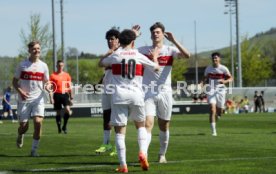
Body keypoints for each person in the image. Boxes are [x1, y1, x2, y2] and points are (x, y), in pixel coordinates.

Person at [99, 29, 159, 172]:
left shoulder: (115, 55)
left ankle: (123, 165)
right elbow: (156, 68)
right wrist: (155, 57)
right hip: (137, 95)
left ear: (119, 41)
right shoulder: (138, 55)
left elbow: (100, 63)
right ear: (133, 42)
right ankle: (143, 153)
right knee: (141, 126)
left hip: (119, 96)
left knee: (120, 132)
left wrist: (111, 51)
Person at [138, 22, 190, 163]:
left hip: (165, 92)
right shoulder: (143, 50)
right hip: (148, 92)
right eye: (153, 32)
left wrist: (174, 40)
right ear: (151, 35)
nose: (155, 34)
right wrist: (133, 37)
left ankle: (162, 154)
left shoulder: (170, 50)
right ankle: (144, 154)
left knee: (164, 125)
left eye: (158, 32)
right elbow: (128, 52)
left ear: (163, 34)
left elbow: (187, 55)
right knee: (148, 124)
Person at [13, 40, 52, 157]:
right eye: (34, 48)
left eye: (38, 48)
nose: (37, 50)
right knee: (24, 127)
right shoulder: (22, 65)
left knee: (38, 122)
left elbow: (47, 81)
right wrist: (20, 91)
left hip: (38, 99)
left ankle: (34, 151)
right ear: (29, 50)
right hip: (24, 100)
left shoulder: (44, 66)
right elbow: (14, 82)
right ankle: (20, 135)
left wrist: (49, 89)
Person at [95, 28, 120, 156]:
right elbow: (106, 70)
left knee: (117, 118)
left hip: (117, 90)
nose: (110, 41)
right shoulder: (109, 54)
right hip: (107, 88)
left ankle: (118, 146)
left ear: (118, 40)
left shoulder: (121, 53)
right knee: (106, 116)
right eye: (108, 39)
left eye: (112, 39)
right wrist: (101, 81)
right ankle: (106, 144)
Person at [201, 52, 232, 136]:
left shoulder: (224, 69)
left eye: (216, 58)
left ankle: (218, 114)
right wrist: (202, 84)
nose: (215, 59)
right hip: (211, 90)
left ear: (219, 59)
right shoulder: (208, 69)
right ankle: (214, 131)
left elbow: (231, 78)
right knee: (212, 109)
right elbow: (205, 78)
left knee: (220, 111)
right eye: (213, 58)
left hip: (221, 91)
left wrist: (224, 81)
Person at [50, 60, 73, 134]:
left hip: (65, 94)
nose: (60, 67)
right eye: (59, 65)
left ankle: (65, 126)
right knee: (58, 112)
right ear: (56, 66)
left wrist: (71, 95)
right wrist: (51, 97)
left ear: (63, 66)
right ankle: (59, 127)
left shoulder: (67, 75)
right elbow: (50, 87)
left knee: (67, 110)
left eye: (61, 65)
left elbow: (69, 86)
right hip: (56, 95)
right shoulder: (53, 75)